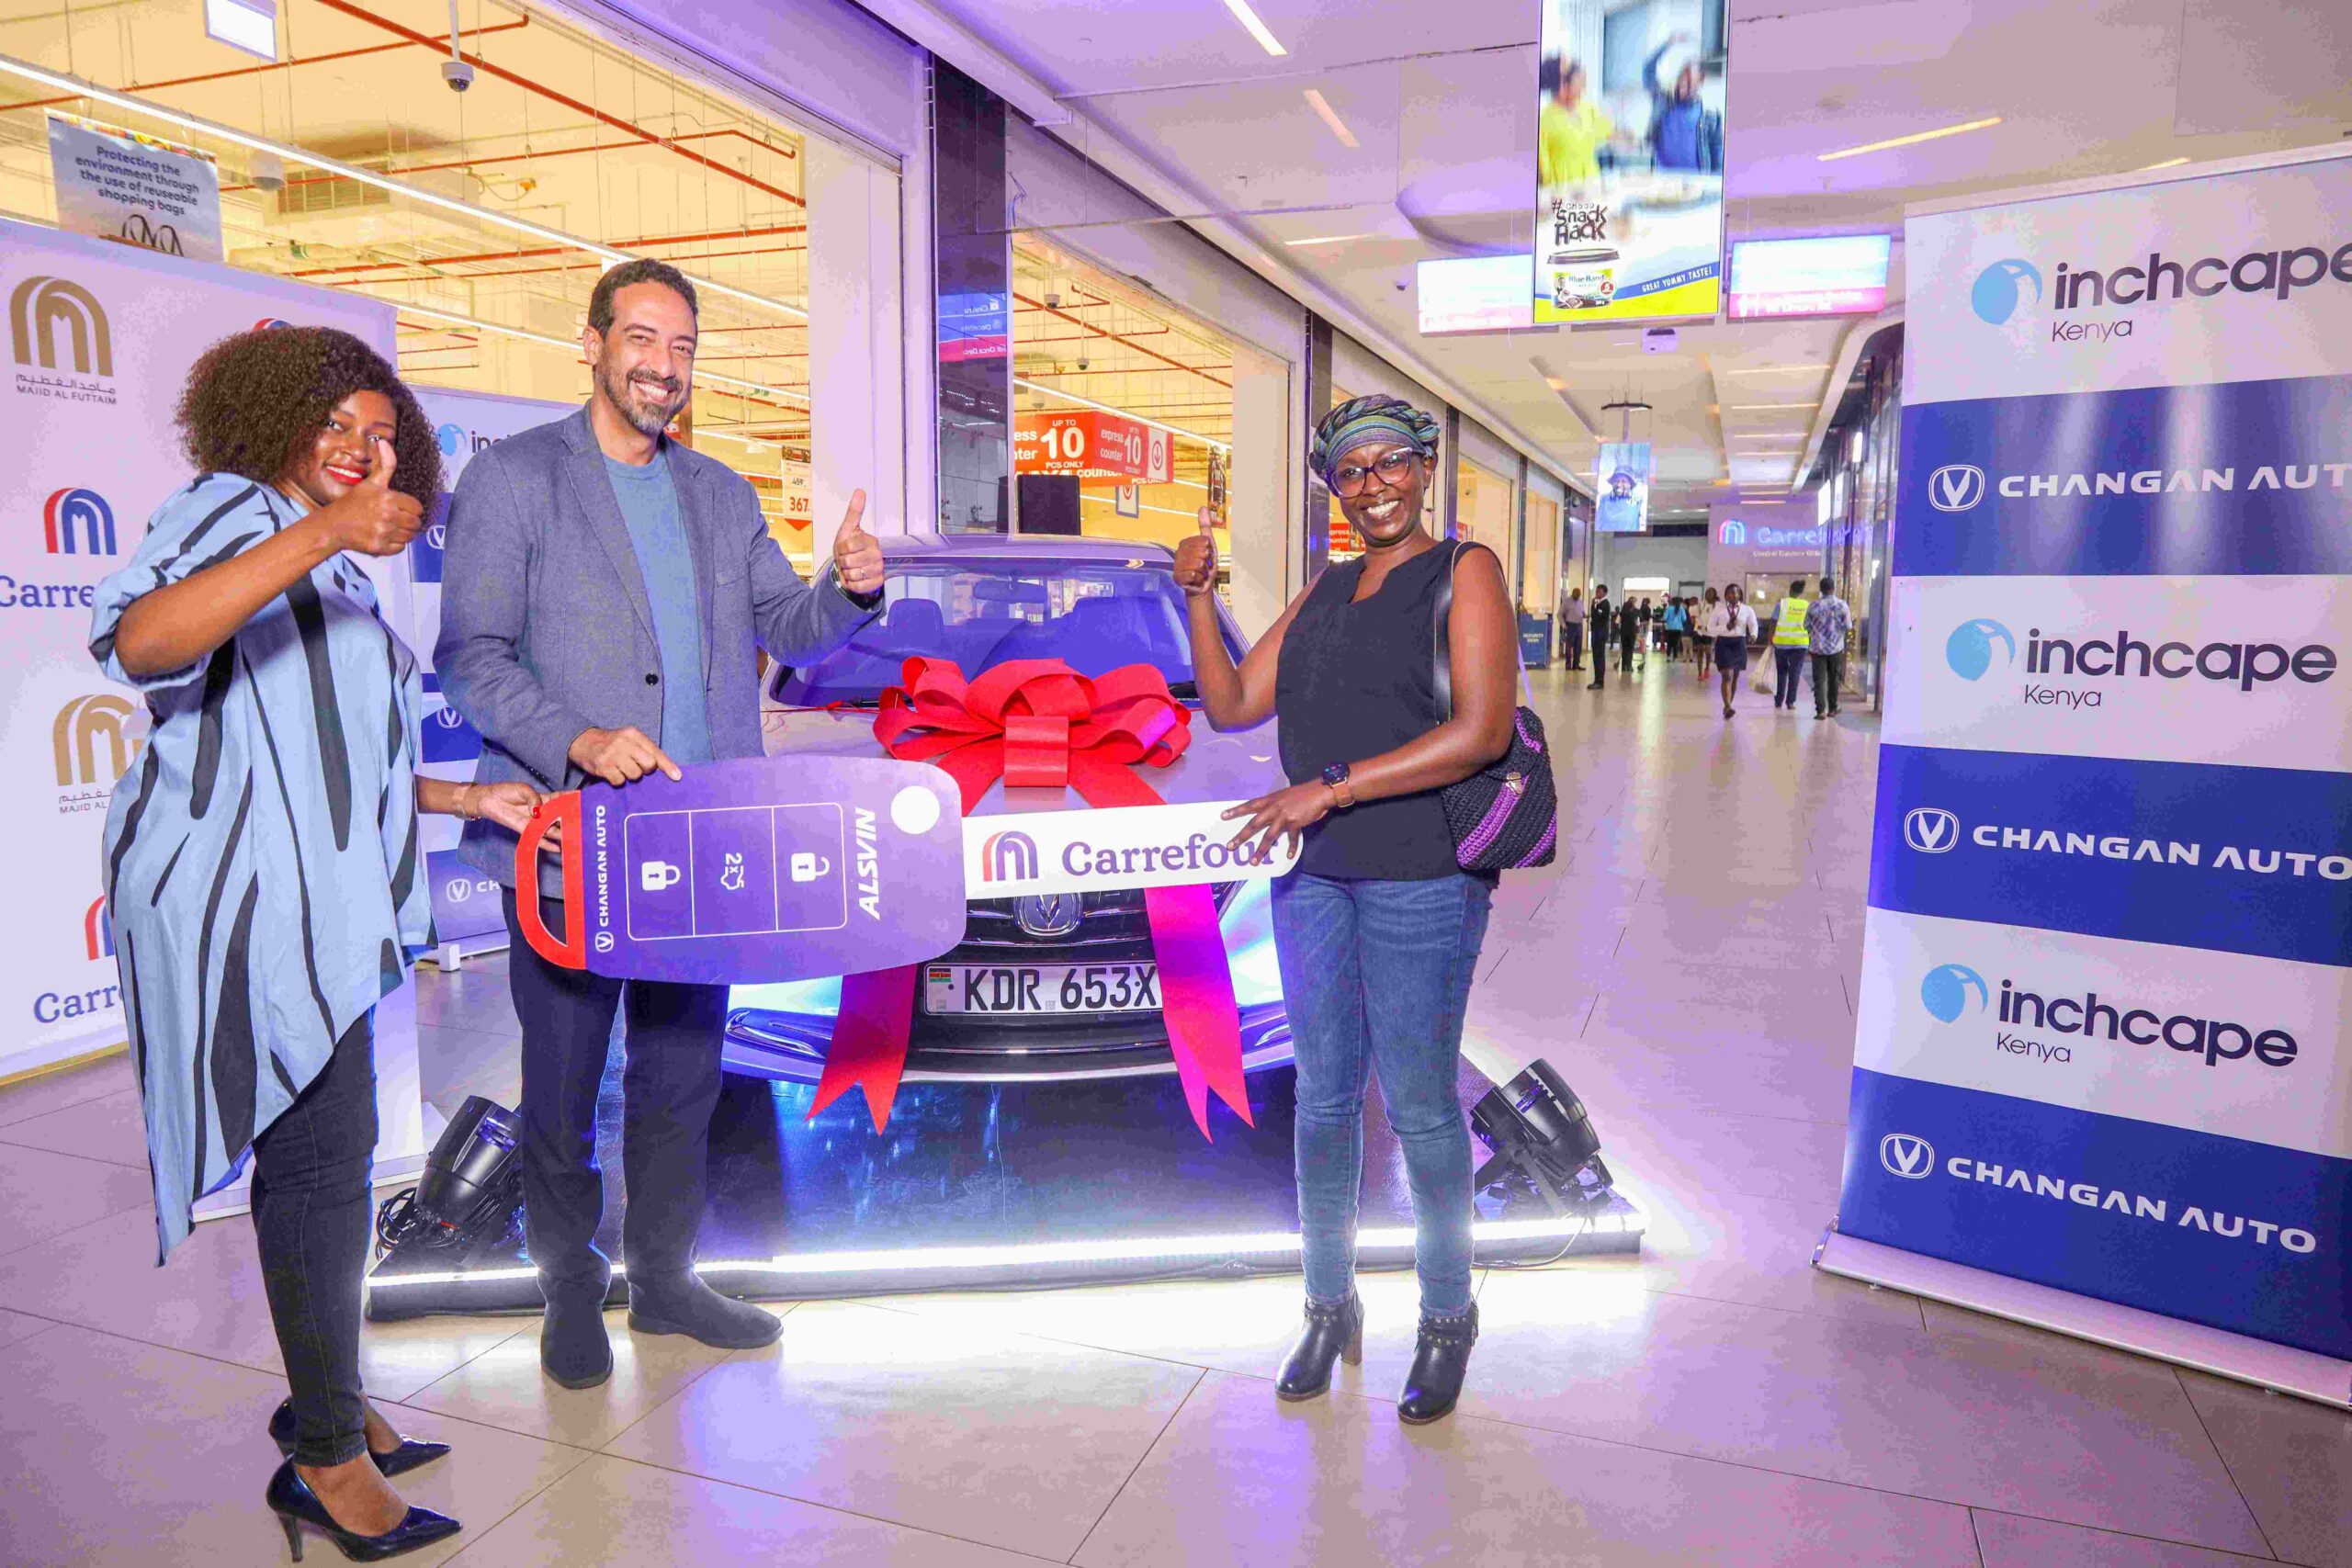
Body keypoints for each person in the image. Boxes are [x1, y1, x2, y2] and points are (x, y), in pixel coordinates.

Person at [91, 327, 551, 1560]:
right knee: (317, 1159)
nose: (362, 446)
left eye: (379, 428)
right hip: (237, 899)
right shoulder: (231, 507)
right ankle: (325, 1459)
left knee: (332, 1156)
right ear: (275, 425)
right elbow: (145, 641)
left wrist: (472, 802)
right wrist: (321, 531)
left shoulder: (339, 569)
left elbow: (337, 753)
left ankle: (324, 1400)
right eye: (333, 424)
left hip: (315, 903)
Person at [435, 259, 888, 1391]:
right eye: (642, 339)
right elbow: (472, 656)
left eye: (683, 348)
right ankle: (567, 1287)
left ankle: (668, 1277)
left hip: (701, 845)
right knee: (566, 1076)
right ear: (592, 344)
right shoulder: (516, 481)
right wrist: (578, 739)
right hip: (570, 845)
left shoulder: (721, 493)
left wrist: (851, 588)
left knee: (682, 1076)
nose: (663, 366)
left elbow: (790, 620)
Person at [1174, 393, 1516, 1426]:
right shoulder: (1325, 589)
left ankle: (1446, 1319)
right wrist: (1196, 597)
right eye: (1351, 473)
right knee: (1322, 1097)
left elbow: (1482, 731)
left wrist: (1324, 788)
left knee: (1416, 1104)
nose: (1373, 486)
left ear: (1423, 468)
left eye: (1390, 465)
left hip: (1419, 872)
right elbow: (1234, 702)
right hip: (1312, 874)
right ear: (1334, 488)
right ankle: (1329, 1308)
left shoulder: (1465, 571)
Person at [1645, 34, 1723, 174]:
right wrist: (1669, 44)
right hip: (1663, 183)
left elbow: (1718, 157)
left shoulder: (1710, 116)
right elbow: (1648, 70)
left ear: (1700, 82)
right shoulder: (1662, 101)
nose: (1683, 87)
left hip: (1696, 185)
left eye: (1689, 83)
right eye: (1681, 81)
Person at [1537, 56, 1612, 189]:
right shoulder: (1544, 121)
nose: (1583, 87)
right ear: (1562, 85)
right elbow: (1542, 169)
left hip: (1591, 188)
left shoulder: (1588, 109)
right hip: (1562, 193)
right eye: (1579, 81)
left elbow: (1609, 132)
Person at [1704, 582, 1759, 718]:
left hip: (1739, 644)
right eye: (1729, 593)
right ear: (1725, 596)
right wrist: (1725, 628)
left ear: (1740, 594)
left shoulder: (1748, 610)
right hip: (1723, 643)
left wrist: (1753, 635)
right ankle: (1728, 706)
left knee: (1735, 677)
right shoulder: (1719, 610)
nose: (1732, 595)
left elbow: (1753, 624)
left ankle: (1728, 704)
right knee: (1726, 675)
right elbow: (1710, 629)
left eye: (1735, 593)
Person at [1806, 576, 1853, 717]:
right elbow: (1848, 626)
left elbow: (1806, 626)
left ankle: (1820, 710)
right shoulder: (1842, 605)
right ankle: (1832, 708)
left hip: (1817, 648)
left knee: (1819, 680)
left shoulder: (1813, 606)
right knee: (1834, 679)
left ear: (1821, 590)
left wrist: (1817, 632)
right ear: (1833, 589)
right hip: (1836, 648)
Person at [1771, 578, 1812, 711]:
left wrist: (1770, 639)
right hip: (1800, 644)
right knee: (1795, 674)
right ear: (1801, 592)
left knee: (1782, 673)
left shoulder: (1781, 604)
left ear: (1790, 590)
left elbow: (1773, 622)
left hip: (1782, 643)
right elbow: (1810, 625)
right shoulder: (1807, 606)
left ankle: (1779, 700)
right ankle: (1790, 702)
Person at [1586, 585, 1614, 690]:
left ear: (1604, 593)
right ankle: (1597, 679)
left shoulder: (1605, 604)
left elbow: (1597, 617)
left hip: (1600, 634)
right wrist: (1593, 606)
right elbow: (1594, 615)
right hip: (1596, 633)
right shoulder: (1598, 603)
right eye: (1596, 590)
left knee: (1599, 657)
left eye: (1599, 591)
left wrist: (1594, 606)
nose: (1597, 592)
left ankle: (1600, 681)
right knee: (1596, 657)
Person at [1558, 582, 1586, 671]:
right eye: (1576, 595)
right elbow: (1559, 615)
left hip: (1579, 626)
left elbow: (1582, 613)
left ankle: (1576, 665)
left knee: (1578, 647)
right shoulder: (1567, 602)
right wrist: (1564, 625)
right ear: (1572, 593)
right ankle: (1568, 665)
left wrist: (1585, 615)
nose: (1577, 596)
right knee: (1569, 647)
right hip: (1570, 626)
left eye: (1579, 595)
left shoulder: (1581, 602)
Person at [1694, 589, 1720, 680]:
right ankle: (1700, 673)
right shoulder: (1701, 604)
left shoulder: (1717, 606)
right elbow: (1696, 616)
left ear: (1714, 595)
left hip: (1710, 632)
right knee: (1700, 651)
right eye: (1708, 593)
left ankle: (1707, 668)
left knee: (1708, 652)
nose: (1709, 595)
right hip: (1700, 631)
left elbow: (1719, 618)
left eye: (1711, 593)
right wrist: (1700, 625)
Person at [1616, 591, 1640, 675]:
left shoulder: (1622, 612)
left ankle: (1623, 667)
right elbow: (1638, 624)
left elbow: (1617, 622)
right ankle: (1629, 666)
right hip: (1632, 633)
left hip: (1623, 632)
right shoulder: (1636, 612)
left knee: (1625, 649)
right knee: (1630, 649)